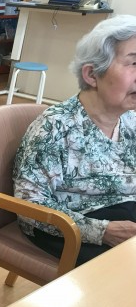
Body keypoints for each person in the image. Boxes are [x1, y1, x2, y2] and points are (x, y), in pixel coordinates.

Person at [13, 14, 136, 267]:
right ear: (92, 74)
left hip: (126, 213)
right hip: (71, 228)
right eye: (134, 63)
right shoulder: (54, 127)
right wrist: (103, 231)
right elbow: (29, 206)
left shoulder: (131, 120)